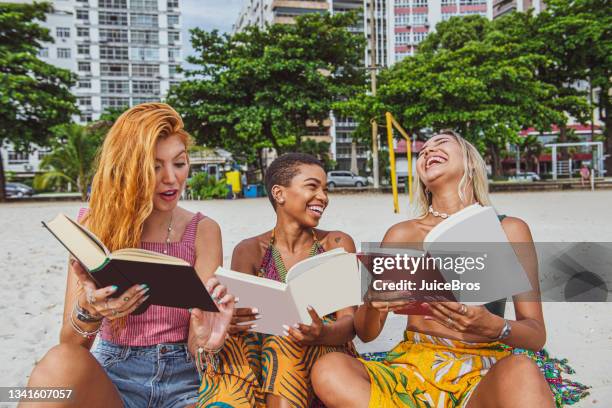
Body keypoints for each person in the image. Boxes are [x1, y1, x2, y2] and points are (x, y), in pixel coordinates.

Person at [311, 130, 555, 408]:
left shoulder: (509, 230)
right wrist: (373, 304)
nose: (427, 151)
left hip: (483, 368)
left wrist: (495, 326)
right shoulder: (401, 234)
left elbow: (535, 334)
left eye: (441, 144)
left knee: (523, 369)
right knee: (329, 369)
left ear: (472, 162)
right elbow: (366, 333)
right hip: (413, 367)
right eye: (423, 150)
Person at [23, 103, 234, 408]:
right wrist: (90, 308)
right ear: (128, 168)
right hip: (113, 374)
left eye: (179, 163)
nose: (171, 179)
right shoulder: (94, 226)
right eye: (155, 166)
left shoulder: (204, 231)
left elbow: (198, 343)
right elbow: (71, 345)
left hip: (184, 379)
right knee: (58, 362)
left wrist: (205, 343)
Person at [199, 153, 358, 408]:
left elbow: (350, 323)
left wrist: (320, 332)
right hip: (263, 355)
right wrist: (234, 321)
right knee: (235, 344)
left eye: (325, 189)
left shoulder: (335, 244)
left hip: (323, 351)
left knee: (285, 338)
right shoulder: (249, 250)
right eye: (312, 187)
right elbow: (242, 321)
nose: (323, 197)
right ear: (279, 193)